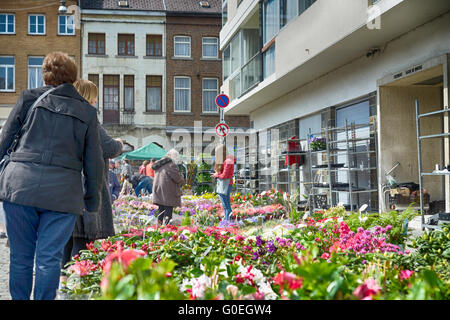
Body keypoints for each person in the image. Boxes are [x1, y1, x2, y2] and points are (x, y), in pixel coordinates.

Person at [0, 52, 103, 300]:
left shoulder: (28, 98)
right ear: (73, 77)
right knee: (49, 258)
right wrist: (91, 201)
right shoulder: (87, 113)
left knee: (21, 257)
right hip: (63, 195)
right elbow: (93, 162)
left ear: (45, 75)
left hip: (20, 186)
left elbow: (4, 141)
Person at [61, 79, 123, 275]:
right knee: (83, 240)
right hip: (86, 186)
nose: (97, 100)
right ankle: (76, 283)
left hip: (66, 187)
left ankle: (62, 280)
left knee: (68, 240)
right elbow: (108, 147)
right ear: (88, 96)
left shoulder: (65, 115)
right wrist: (120, 143)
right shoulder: (87, 117)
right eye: (95, 96)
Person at [152, 150, 184, 225]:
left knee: (161, 210)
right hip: (167, 191)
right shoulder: (170, 164)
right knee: (168, 211)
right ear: (172, 156)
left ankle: (159, 227)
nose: (176, 159)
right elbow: (177, 178)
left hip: (159, 189)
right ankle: (167, 229)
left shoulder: (159, 163)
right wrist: (182, 177)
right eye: (176, 157)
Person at [213, 144, 235, 221]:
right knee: (225, 205)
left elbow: (224, 176)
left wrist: (217, 174)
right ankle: (227, 220)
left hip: (226, 185)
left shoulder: (228, 161)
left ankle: (228, 221)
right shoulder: (227, 160)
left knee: (226, 205)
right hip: (225, 184)